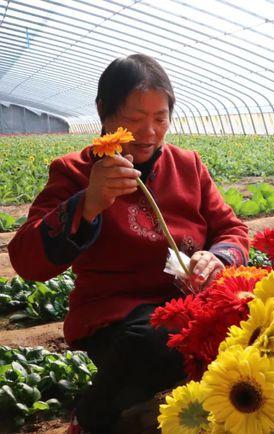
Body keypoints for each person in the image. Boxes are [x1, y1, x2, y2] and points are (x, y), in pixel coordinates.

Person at [8, 54, 249, 433]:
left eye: (160, 119)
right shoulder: (74, 172)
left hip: (194, 302)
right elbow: (26, 261)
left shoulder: (188, 165)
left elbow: (232, 230)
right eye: (135, 119)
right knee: (160, 342)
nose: (149, 132)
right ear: (104, 113)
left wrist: (216, 257)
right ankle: (89, 420)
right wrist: (87, 203)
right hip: (116, 314)